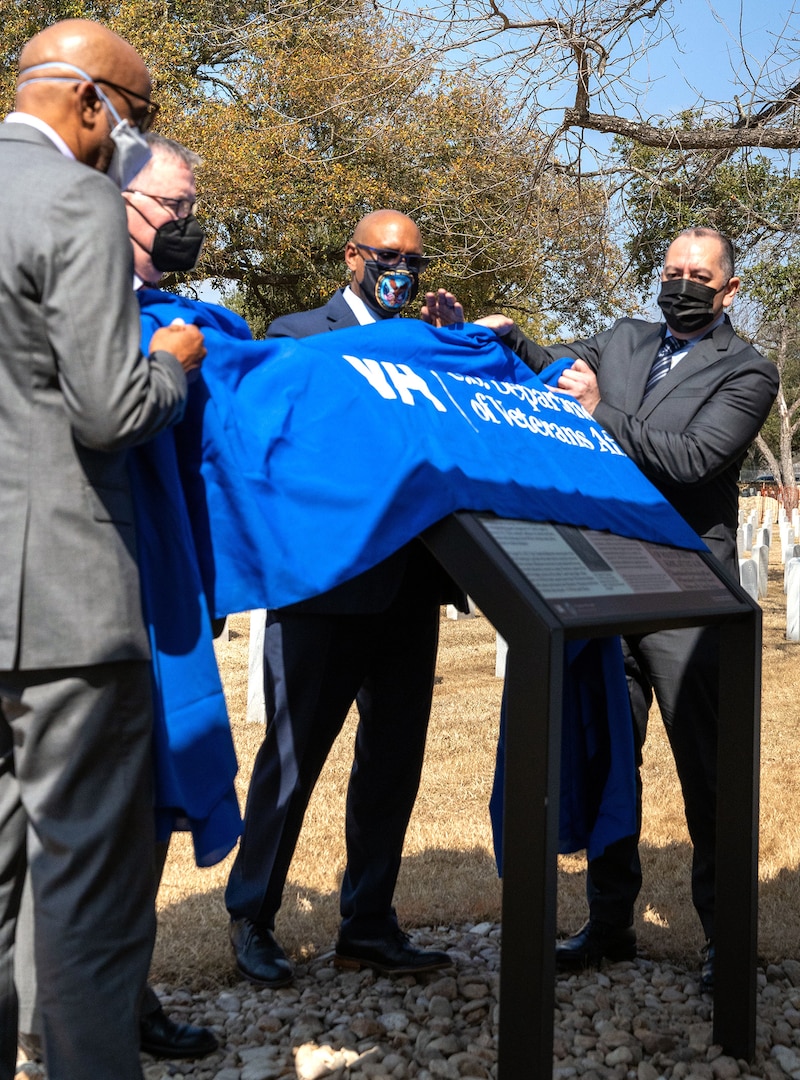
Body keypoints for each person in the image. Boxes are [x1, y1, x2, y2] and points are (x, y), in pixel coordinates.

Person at [487, 226, 779, 989]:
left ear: (729, 290)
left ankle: (725, 936)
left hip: (688, 595)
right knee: (611, 761)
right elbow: (557, 367)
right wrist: (509, 336)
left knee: (709, 775)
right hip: (607, 581)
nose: (682, 283)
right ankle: (609, 924)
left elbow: (694, 459)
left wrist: (598, 413)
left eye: (699, 275)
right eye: (673, 270)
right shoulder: (621, 337)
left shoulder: (750, 371)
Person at [0, 19, 206, 1080]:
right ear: (89, 102)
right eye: (134, 115)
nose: (127, 140)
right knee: (86, 889)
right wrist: (168, 358)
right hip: (65, 607)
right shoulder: (72, 199)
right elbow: (111, 409)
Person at [225, 210, 465, 985]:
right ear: (352, 255)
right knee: (292, 760)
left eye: (415, 262)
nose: (403, 272)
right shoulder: (298, 331)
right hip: (323, 593)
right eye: (389, 257)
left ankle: (369, 921)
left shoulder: (430, 345)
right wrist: (405, 347)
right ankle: (252, 916)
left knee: (392, 763)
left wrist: (450, 348)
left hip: (411, 587)